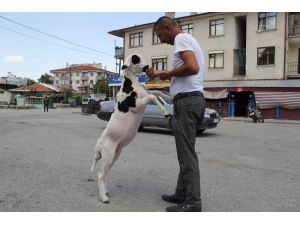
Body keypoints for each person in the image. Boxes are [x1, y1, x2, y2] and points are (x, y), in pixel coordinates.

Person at [146, 16, 206, 212]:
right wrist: (162, 76)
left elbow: (192, 67)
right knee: (185, 152)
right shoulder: (188, 40)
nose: (161, 39)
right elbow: (188, 69)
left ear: (166, 27)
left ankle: (193, 202)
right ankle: (181, 193)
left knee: (186, 155)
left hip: (188, 102)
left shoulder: (181, 39)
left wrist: (165, 74)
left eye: (160, 35)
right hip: (190, 101)